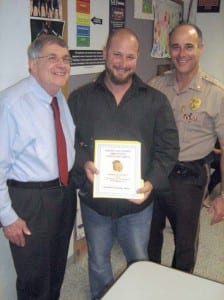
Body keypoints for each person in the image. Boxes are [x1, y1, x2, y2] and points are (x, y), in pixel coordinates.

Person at [68, 28, 179, 299]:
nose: (122, 62)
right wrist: (83, 163)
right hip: (96, 203)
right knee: (97, 262)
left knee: (138, 262)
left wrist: (151, 181)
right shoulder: (80, 99)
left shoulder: (156, 101)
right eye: (116, 54)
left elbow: (168, 148)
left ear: (137, 58)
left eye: (130, 56)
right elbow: (67, 144)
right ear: (105, 54)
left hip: (137, 206)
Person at [0, 35, 76, 300]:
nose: (61, 64)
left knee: (56, 270)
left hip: (62, 194)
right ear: (33, 64)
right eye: (52, 57)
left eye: (66, 58)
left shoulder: (57, 97)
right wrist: (7, 216)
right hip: (31, 201)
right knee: (34, 280)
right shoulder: (11, 103)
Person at [148, 23, 224, 274]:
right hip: (155, 171)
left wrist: (223, 196)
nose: (182, 54)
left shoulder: (216, 93)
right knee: (149, 236)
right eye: (176, 47)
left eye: (189, 47)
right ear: (169, 50)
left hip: (189, 177)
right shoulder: (156, 85)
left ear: (200, 49)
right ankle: (148, 281)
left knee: (184, 245)